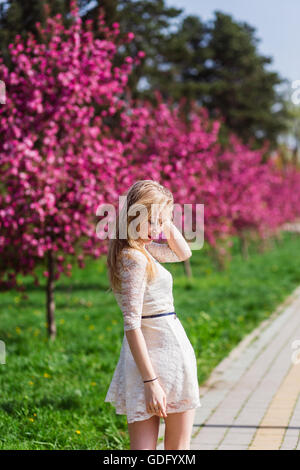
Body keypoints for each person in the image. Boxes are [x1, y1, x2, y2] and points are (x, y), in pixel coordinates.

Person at [105, 180, 202, 450]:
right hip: (157, 358)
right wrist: (152, 382)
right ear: (134, 217)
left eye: (161, 223)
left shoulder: (139, 251)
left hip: (158, 355)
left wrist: (163, 216)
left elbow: (183, 252)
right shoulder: (134, 258)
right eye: (152, 222)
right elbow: (131, 325)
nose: (157, 230)